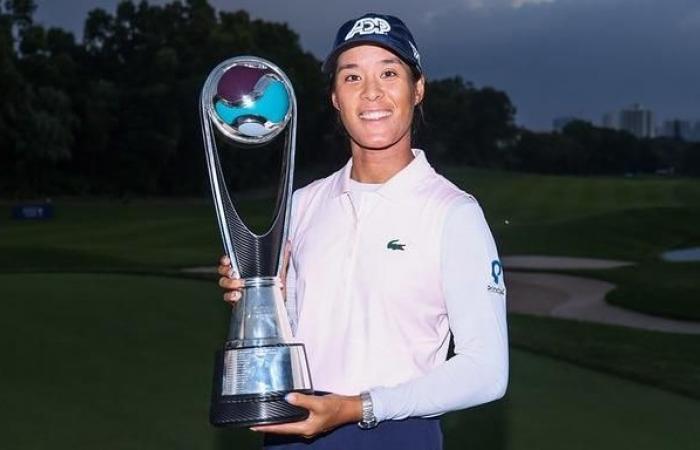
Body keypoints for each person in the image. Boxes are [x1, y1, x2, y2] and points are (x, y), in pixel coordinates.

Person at [218, 12, 508, 450]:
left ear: (418, 89)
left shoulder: (453, 213)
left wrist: (357, 407)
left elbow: (487, 372)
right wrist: (260, 298)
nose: (372, 92)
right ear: (335, 97)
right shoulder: (302, 204)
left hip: (397, 433)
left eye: (389, 73)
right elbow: (297, 333)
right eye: (352, 77)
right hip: (292, 432)